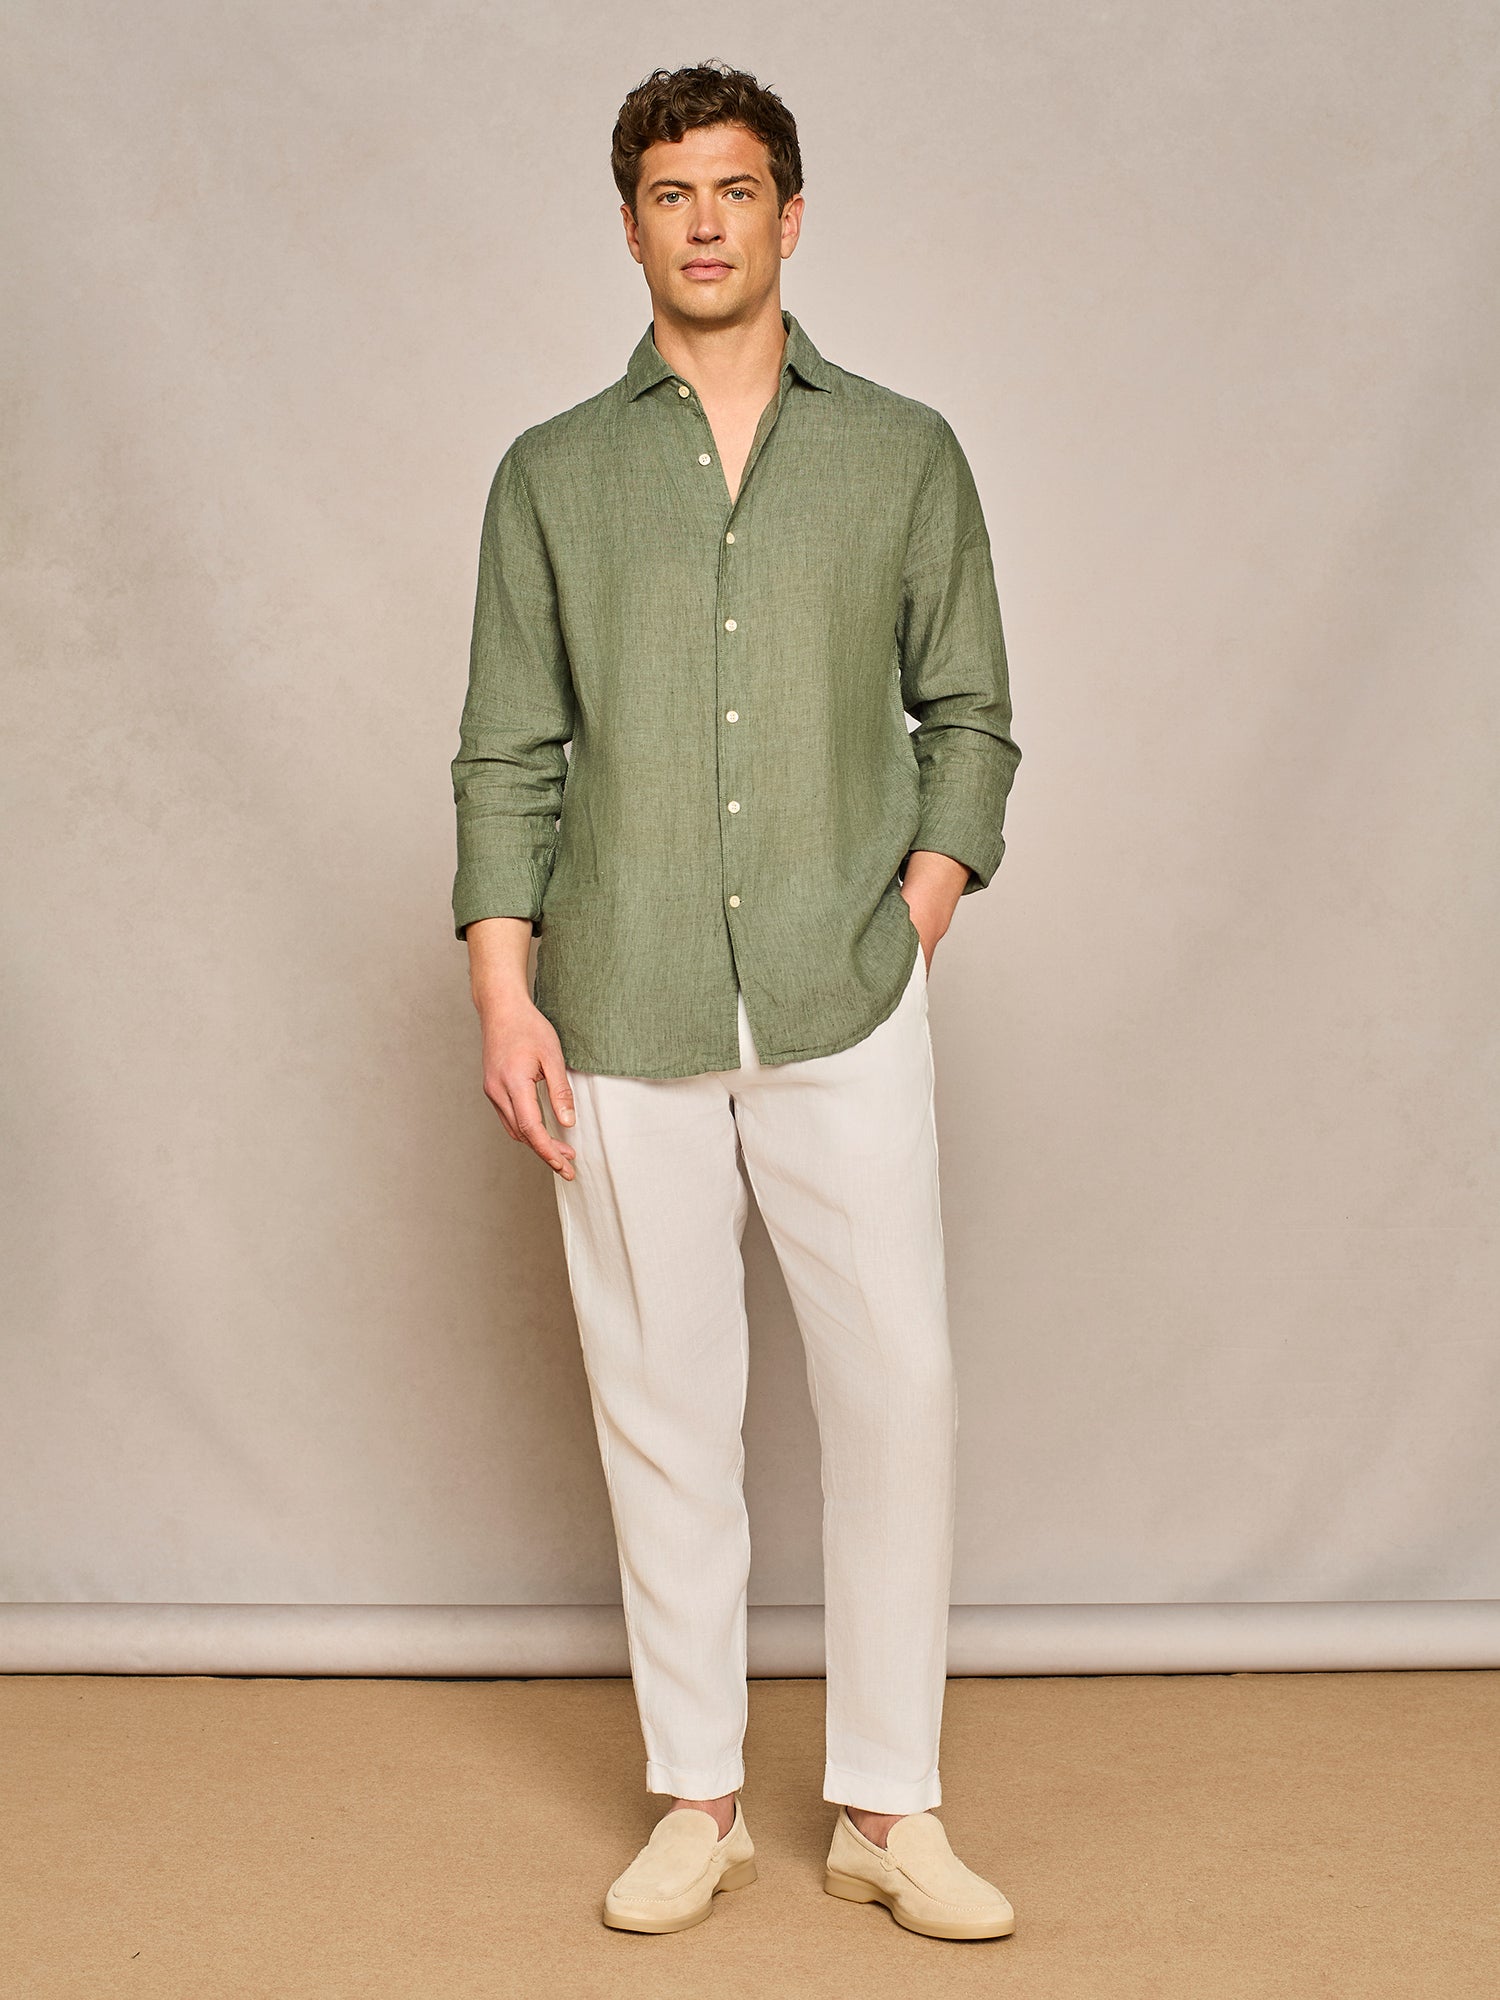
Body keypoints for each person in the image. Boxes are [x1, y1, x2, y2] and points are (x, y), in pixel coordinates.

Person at [450, 58, 1021, 1942]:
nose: (706, 221)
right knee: (664, 1411)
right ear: (629, 226)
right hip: (617, 1005)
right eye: (671, 192)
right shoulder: (552, 473)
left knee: (899, 1395)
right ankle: (697, 1797)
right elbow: (506, 754)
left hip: (846, 998)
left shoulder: (904, 452)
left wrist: (912, 919)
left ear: (791, 212)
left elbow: (972, 717)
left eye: (738, 187)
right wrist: (505, 995)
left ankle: (887, 1806)